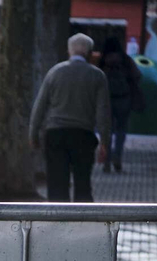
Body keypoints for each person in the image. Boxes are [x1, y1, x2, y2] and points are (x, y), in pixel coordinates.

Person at [29, 32, 112, 202]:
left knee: (57, 184)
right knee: (83, 184)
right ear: (89, 53)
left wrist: (34, 134)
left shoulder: (55, 72)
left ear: (69, 52)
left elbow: (40, 106)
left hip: (55, 134)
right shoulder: (97, 76)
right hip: (83, 135)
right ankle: (82, 221)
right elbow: (102, 112)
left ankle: (57, 222)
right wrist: (104, 142)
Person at [98, 36, 144, 173]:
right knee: (121, 130)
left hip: (107, 100)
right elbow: (137, 75)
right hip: (124, 99)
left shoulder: (102, 61)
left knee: (107, 131)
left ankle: (106, 161)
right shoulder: (125, 60)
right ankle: (117, 157)